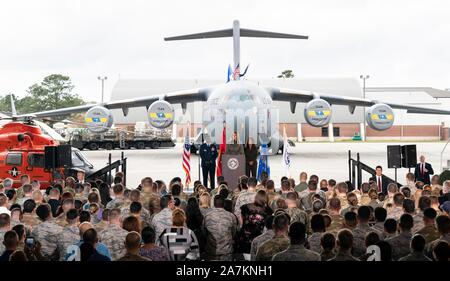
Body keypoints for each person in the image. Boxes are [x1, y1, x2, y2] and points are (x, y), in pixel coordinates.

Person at [237, 190, 273, 254]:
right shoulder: (268, 211)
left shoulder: (245, 207)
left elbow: (241, 222)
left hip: (245, 238)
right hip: (259, 240)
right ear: (266, 199)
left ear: (256, 197)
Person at [203, 195, 237, 261]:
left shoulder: (207, 216)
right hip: (226, 251)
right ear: (224, 204)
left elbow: (204, 232)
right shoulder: (231, 216)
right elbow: (234, 232)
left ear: (213, 204)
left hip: (211, 251)